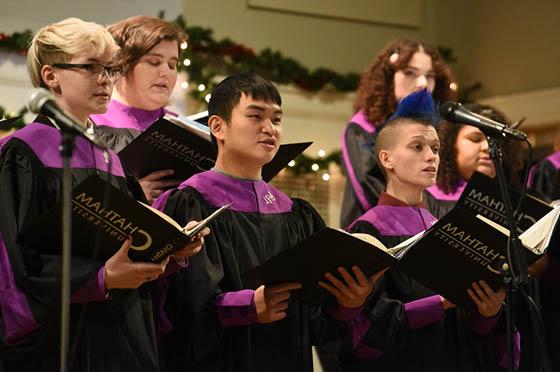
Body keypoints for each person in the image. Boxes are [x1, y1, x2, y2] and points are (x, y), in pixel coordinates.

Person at [0, 18, 204, 371]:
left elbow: (131, 244)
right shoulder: (22, 152)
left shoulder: (110, 157)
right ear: (51, 76)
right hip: (61, 342)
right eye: (91, 67)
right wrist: (101, 279)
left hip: (121, 339)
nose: (106, 79)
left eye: (110, 69)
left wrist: (171, 250)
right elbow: (15, 264)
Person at [154, 73, 384, 372]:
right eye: (255, 116)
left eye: (276, 119)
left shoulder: (296, 215)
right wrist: (245, 307)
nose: (269, 129)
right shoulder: (190, 203)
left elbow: (316, 320)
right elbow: (179, 306)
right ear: (217, 126)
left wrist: (347, 304)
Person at [343, 90, 513, 372]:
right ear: (387, 159)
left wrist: (488, 313)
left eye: (435, 148)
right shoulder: (369, 230)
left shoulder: (444, 228)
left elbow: (470, 327)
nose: (431, 157)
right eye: (417, 147)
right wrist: (440, 304)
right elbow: (365, 328)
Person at [340, 39, 457, 228]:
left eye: (429, 76)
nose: (422, 84)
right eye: (410, 73)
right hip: (376, 231)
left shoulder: (437, 128)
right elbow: (370, 189)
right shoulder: (362, 127)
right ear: (388, 76)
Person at [91, 15, 187, 203]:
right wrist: (132, 194)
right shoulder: (92, 122)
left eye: (172, 64)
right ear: (124, 63)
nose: (165, 72)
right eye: (154, 62)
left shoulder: (180, 127)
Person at [424, 103, 524, 218]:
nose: (487, 146)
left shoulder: (516, 202)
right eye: (475, 139)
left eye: (495, 141)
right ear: (452, 145)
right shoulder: (425, 198)